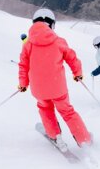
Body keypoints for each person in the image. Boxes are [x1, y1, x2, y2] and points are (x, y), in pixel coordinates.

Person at [17, 8, 92, 150]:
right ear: (51, 24)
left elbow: (23, 65)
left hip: (39, 89)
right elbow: (72, 58)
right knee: (67, 112)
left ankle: (55, 136)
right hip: (58, 88)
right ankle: (84, 139)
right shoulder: (58, 41)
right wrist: (78, 73)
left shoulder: (28, 44)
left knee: (45, 110)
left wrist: (23, 83)